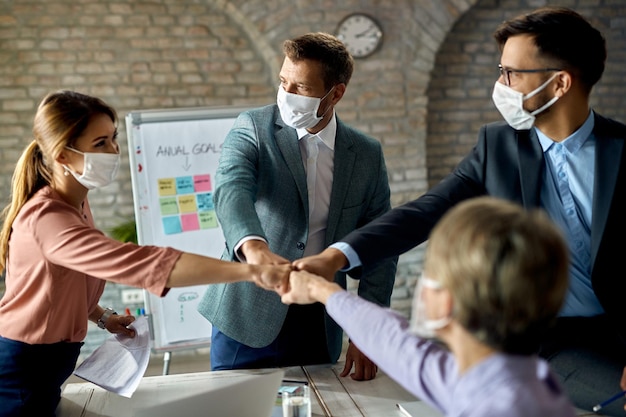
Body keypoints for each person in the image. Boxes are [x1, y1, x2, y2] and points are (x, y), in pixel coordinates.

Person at [293, 6, 626, 415]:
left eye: (511, 74)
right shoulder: (497, 146)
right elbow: (425, 211)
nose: (499, 84)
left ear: (560, 83)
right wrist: (336, 256)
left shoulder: (621, 152)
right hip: (531, 338)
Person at [0, 90, 290, 417]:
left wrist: (102, 316)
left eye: (113, 138)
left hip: (47, 361)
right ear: (63, 156)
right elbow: (140, 264)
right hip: (22, 368)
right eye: (100, 144)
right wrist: (252, 270)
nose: (114, 151)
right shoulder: (47, 219)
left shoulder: (76, 201)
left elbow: (60, 283)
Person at [196, 32, 397, 380]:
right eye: (283, 82)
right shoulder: (254, 127)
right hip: (247, 310)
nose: (286, 95)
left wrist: (368, 329)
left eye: (300, 88)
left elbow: (380, 245)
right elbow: (231, 189)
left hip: (320, 320)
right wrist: (254, 247)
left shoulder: (365, 154)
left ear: (336, 93)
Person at [282, 197, 577, 417]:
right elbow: (400, 345)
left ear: (446, 300)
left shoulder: (498, 406)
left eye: (430, 269)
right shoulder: (518, 380)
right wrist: (323, 290)